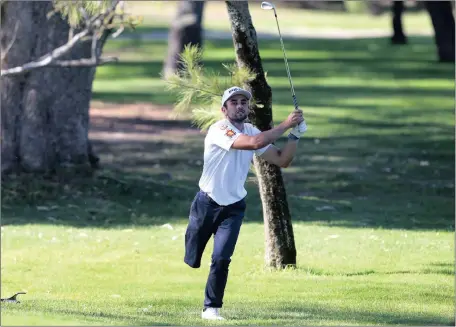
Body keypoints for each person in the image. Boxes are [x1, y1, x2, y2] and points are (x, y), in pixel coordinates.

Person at [184, 86, 306, 320]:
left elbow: (282, 160)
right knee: (192, 257)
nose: (240, 105)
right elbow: (251, 143)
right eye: (234, 102)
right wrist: (284, 125)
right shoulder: (219, 129)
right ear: (224, 109)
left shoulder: (250, 129)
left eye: (243, 101)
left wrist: (295, 136)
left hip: (233, 208)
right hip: (206, 202)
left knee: (221, 257)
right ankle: (193, 252)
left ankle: (211, 307)